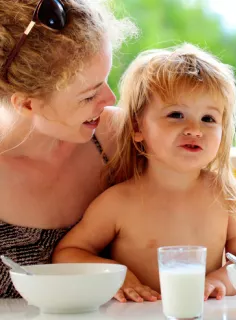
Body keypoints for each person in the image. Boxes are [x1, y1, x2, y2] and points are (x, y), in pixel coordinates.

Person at [52, 43, 236, 303]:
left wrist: (219, 281)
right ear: (138, 127)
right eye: (176, 114)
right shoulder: (119, 202)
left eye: (208, 119)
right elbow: (69, 252)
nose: (195, 129)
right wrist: (116, 275)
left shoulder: (222, 195)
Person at [0, 0, 137, 298]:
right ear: (26, 104)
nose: (110, 98)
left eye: (106, 80)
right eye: (88, 96)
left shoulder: (119, 139)